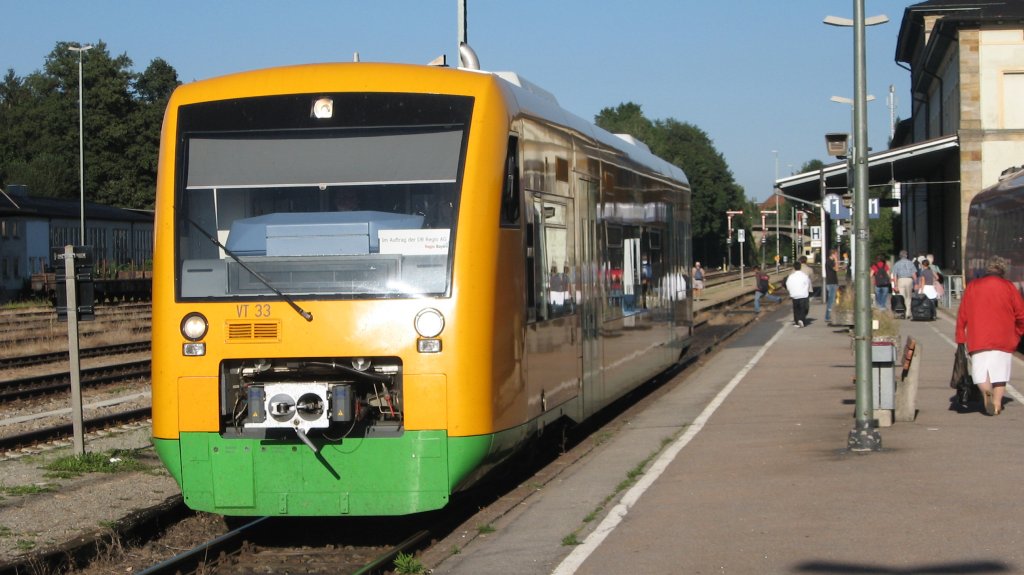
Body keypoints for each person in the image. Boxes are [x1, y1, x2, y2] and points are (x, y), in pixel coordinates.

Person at [955, 256, 1024, 415]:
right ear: (1003, 271)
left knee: (980, 372)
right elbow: (1021, 314)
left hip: (978, 336)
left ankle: (986, 391)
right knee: (1000, 374)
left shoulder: (973, 286)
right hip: (1004, 337)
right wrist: (1018, 333)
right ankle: (997, 403)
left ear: (987, 270)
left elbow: (962, 314)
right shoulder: (1008, 286)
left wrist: (960, 336)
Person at [785, 261, 812, 327]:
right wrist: (805, 290)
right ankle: (801, 320)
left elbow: (787, 284)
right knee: (803, 308)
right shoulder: (804, 276)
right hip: (803, 294)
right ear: (800, 267)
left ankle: (797, 322)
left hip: (794, 295)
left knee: (796, 309)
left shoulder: (791, 276)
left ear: (794, 267)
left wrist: (791, 291)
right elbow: (808, 284)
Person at [824, 250, 839, 323]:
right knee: (831, 300)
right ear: (832, 254)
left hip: (833, 282)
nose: (837, 256)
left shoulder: (831, 262)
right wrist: (836, 261)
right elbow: (836, 269)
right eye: (836, 255)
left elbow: (837, 269)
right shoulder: (829, 261)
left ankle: (830, 315)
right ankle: (827, 316)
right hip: (831, 283)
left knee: (833, 299)